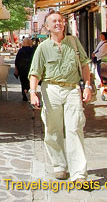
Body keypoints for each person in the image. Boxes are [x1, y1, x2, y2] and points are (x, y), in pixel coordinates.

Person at [29, 11, 92, 183]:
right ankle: (59, 166)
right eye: (54, 21)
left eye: (60, 21)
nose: (58, 23)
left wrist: (87, 86)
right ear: (47, 27)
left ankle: (79, 173)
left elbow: (85, 64)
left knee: (74, 128)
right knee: (52, 130)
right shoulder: (42, 48)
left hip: (72, 89)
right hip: (50, 90)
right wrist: (33, 92)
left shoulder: (73, 42)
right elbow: (35, 72)